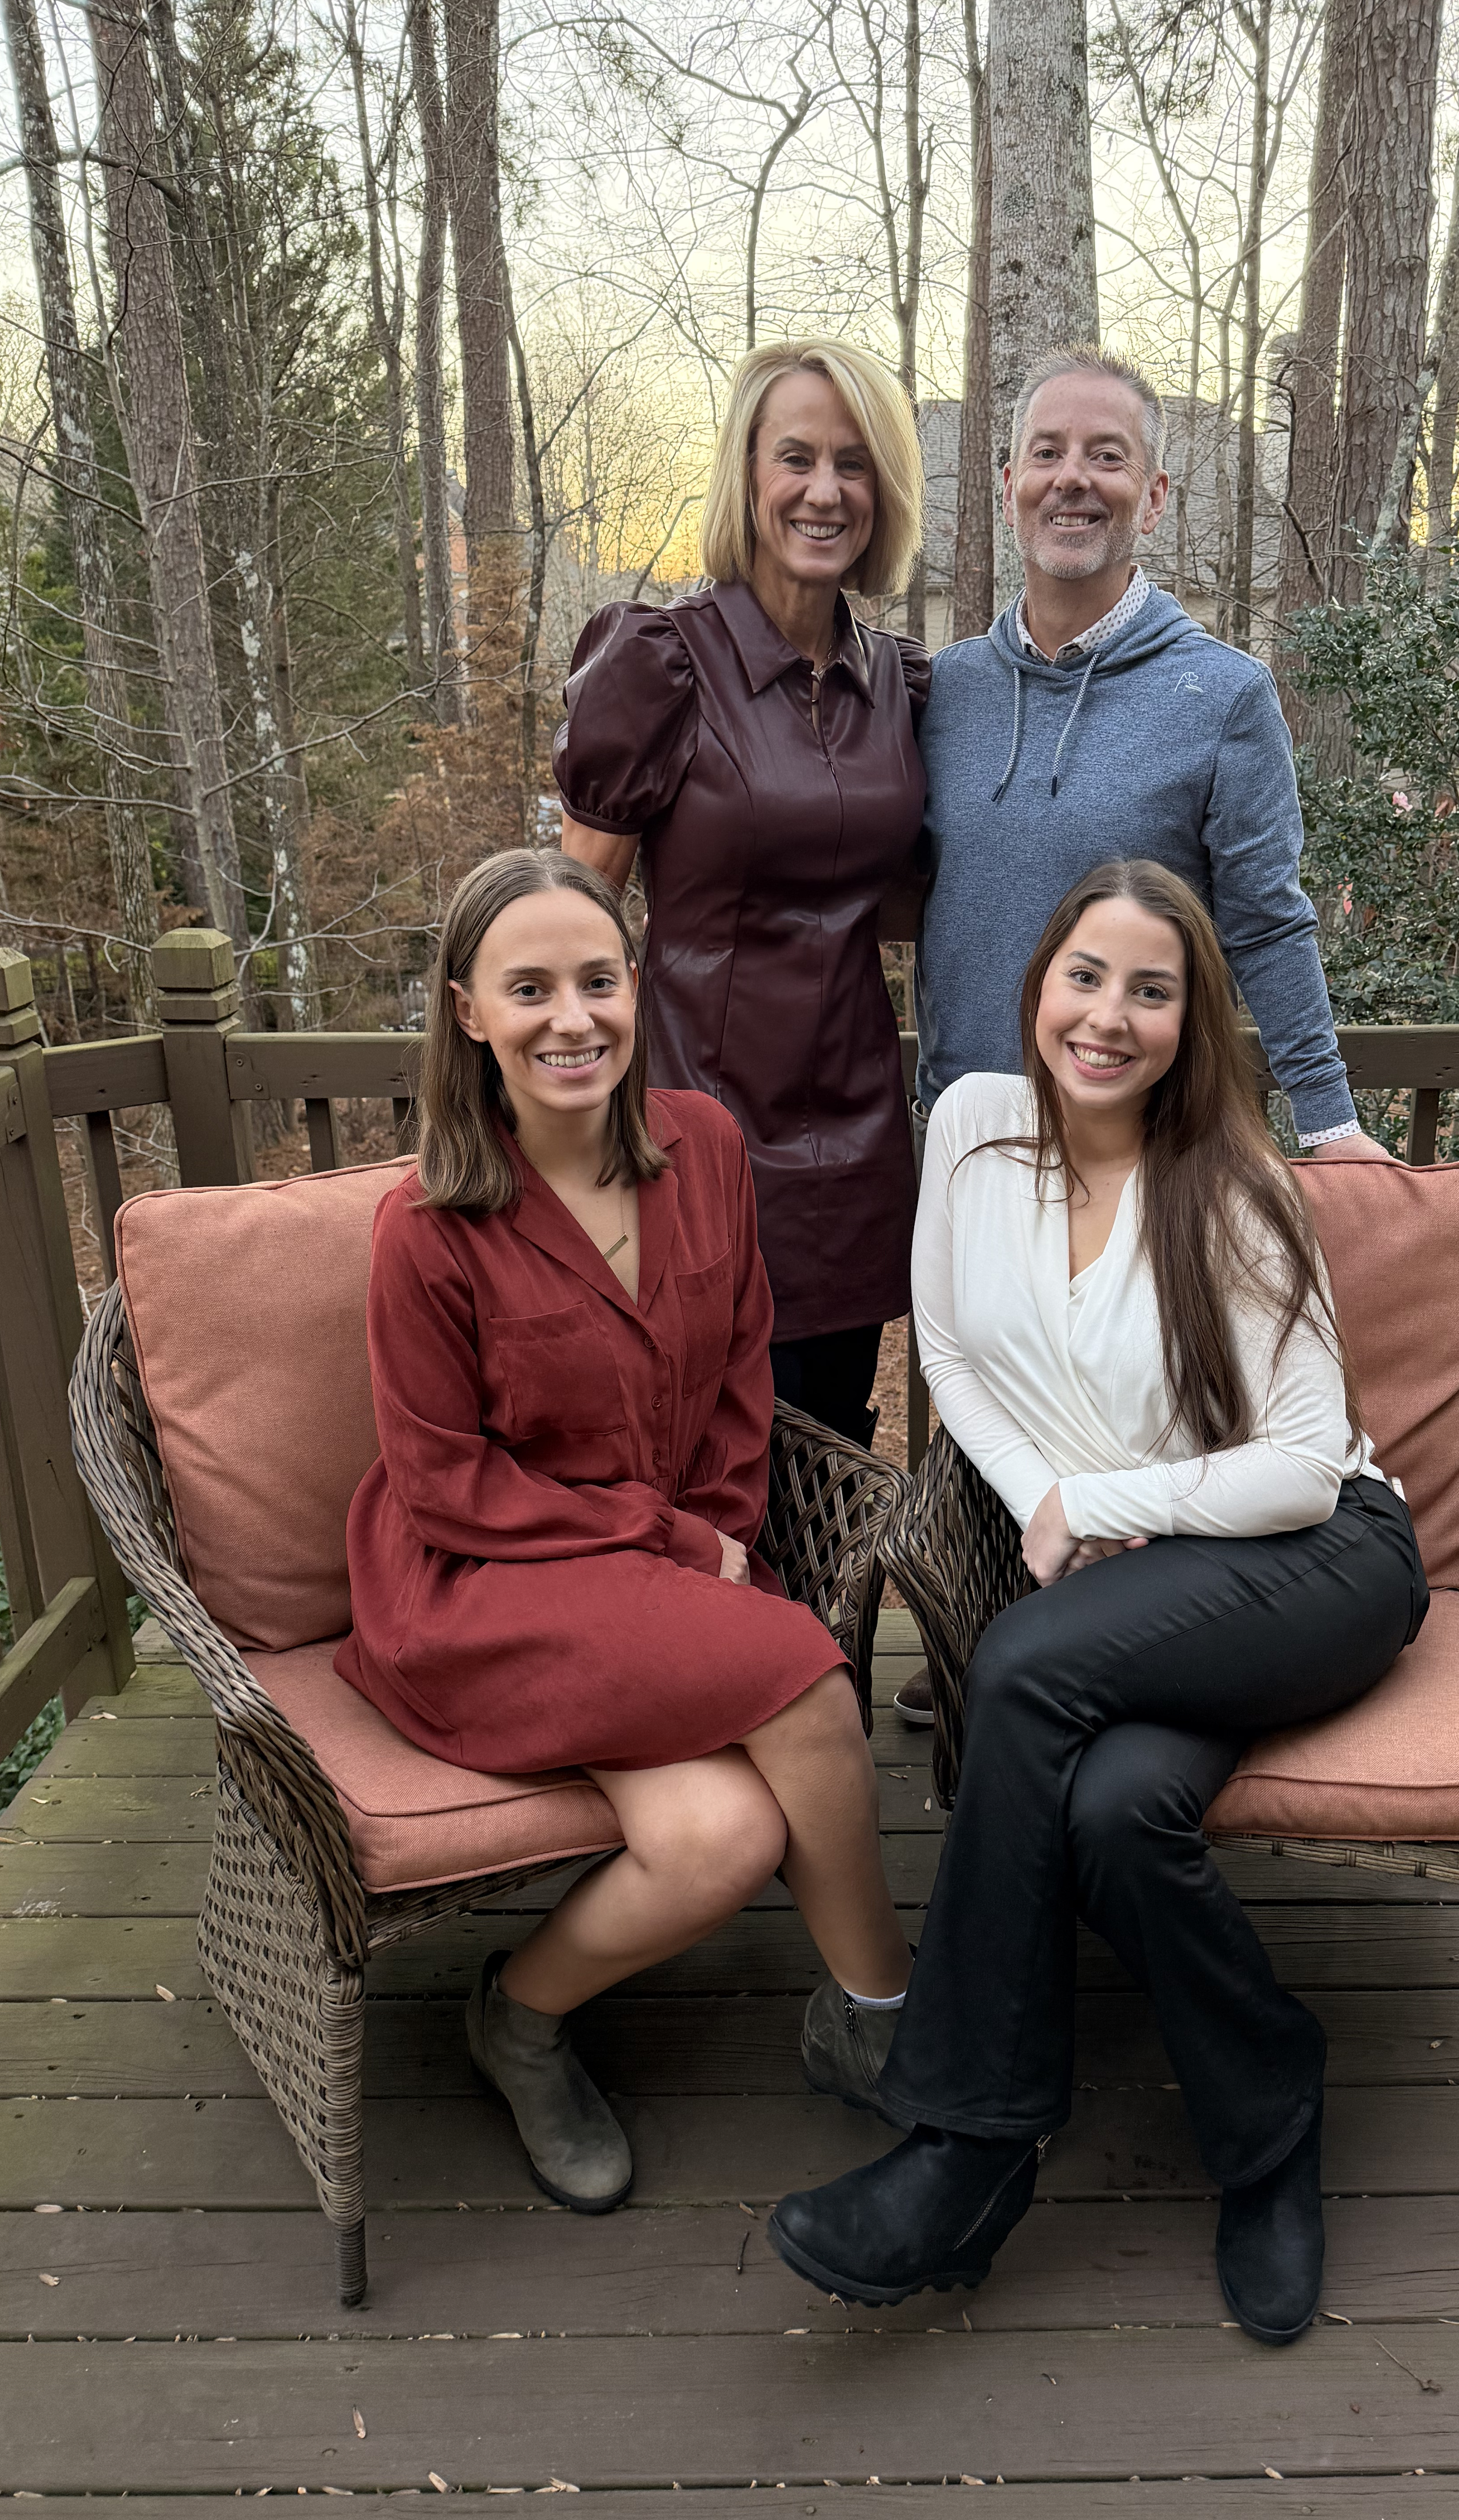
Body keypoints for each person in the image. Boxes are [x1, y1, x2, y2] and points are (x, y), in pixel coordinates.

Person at [766, 859, 1427, 2342]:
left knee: (1019, 1668)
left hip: (1317, 1561)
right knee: (1117, 1808)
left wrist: (1101, 1508)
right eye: (1086, 976)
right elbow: (946, 1346)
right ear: (1039, 979)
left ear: (1192, 1021)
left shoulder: (1238, 1192)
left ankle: (969, 2142)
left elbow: (1306, 1469)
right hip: (1140, 1580)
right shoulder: (971, 1128)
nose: (1108, 1017)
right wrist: (1044, 1512)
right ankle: (1270, 2123)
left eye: (1151, 989)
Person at [337, 849, 915, 2214]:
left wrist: (718, 1523)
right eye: (527, 989)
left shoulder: (703, 1146)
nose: (570, 1019)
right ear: (467, 1011)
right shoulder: (424, 1231)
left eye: (597, 981)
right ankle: (882, 2018)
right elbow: (439, 1484)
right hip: (485, 1588)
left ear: (635, 988)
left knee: (720, 1840)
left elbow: (741, 1368)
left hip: (663, 1578)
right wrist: (665, 1541)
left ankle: (514, 2018)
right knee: (809, 1679)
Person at [888, 340, 1388, 1727]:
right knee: (977, 1385)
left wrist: (1326, 1115)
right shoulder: (948, 692)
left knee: (1136, 1397)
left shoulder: (1218, 693)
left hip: (1141, 1129)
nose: (1075, 480)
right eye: (1049, 451)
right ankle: (978, 1644)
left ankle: (1117, 1645)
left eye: (1107, 457)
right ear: (1004, 484)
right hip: (973, 1125)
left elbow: (1269, 919)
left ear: (1153, 493)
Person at [555, 338, 928, 1451]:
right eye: (797, 457)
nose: (826, 491)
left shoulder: (902, 685)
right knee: (704, 1464)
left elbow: (914, 895)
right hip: (694, 1141)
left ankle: (832, 1640)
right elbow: (573, 921)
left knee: (835, 1466)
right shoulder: (663, 664)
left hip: (858, 1144)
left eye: (855, 464)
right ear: (748, 473)